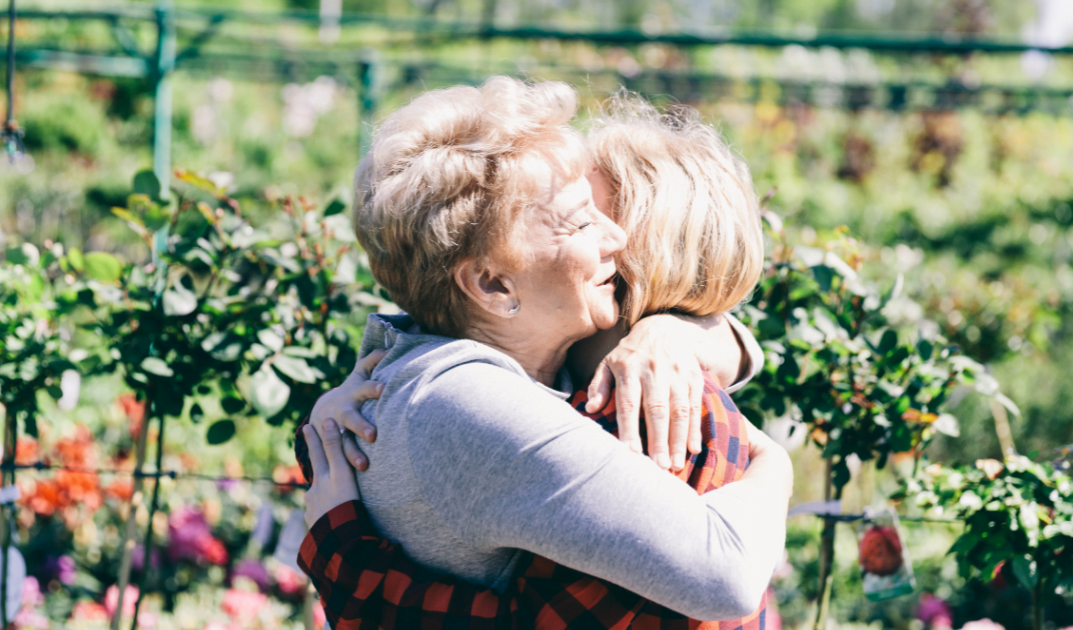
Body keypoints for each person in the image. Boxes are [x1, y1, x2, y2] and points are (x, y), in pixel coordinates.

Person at [298, 77, 792, 626]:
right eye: (581, 220)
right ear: (492, 286)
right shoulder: (470, 401)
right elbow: (725, 575)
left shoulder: (485, 360)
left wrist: (677, 333)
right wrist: (774, 460)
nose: (617, 240)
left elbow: (737, 352)